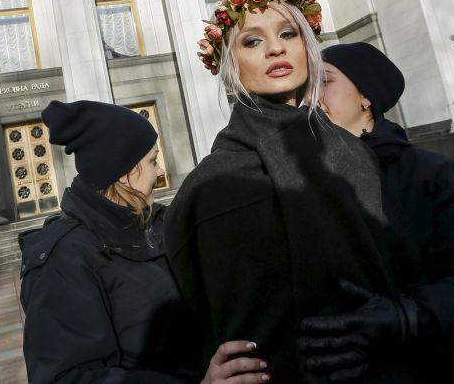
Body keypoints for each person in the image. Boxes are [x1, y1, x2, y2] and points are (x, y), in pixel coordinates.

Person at [166, 0, 417, 382]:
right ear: (230, 69)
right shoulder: (210, 184)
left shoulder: (353, 153)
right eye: (252, 41)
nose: (276, 47)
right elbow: (176, 315)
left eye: (288, 33)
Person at [306, 41, 454, 383]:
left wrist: (407, 317)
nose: (310, 97)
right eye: (307, 86)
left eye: (325, 81)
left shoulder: (437, 177)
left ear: (366, 96)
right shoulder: (299, 186)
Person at [19, 100, 268, 383]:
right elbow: (66, 376)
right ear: (124, 170)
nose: (160, 172)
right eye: (152, 160)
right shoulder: (63, 258)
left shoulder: (162, 223)